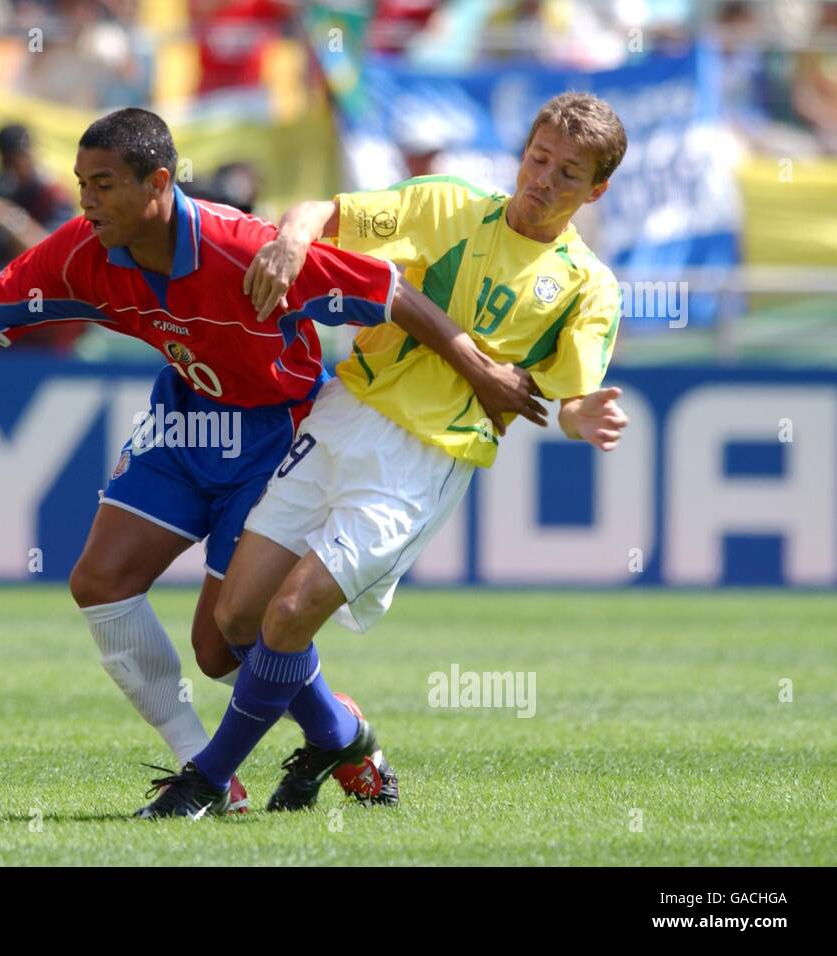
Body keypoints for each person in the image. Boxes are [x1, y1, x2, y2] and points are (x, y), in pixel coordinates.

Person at [0, 107, 543, 814]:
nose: (85, 200)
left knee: (223, 646)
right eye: (81, 183)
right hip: (185, 421)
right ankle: (206, 771)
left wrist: (478, 366)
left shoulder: (244, 247)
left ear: (159, 182)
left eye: (104, 184)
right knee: (98, 579)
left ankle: (342, 733)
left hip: (275, 438)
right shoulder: (83, 249)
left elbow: (388, 292)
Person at [138, 92, 631, 818]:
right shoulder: (450, 205)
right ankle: (341, 734)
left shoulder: (589, 286)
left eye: (567, 174)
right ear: (522, 152)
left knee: (289, 614)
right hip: (342, 416)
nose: (543, 181)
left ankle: (206, 779)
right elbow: (322, 211)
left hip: (422, 462)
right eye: (538, 159)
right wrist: (291, 240)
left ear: (597, 190)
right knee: (235, 624)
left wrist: (583, 412)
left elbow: (570, 394)